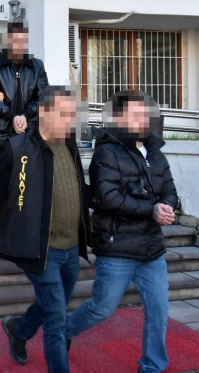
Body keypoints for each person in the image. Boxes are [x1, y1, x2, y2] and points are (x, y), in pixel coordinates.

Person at [0, 86, 91, 372]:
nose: (69, 121)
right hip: (40, 249)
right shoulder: (17, 149)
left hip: (71, 248)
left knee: (52, 305)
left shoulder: (69, 145)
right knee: (56, 320)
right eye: (63, 114)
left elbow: (77, 188)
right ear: (43, 112)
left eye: (71, 115)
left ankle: (18, 329)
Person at [65, 90, 178, 373]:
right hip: (118, 246)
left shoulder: (155, 152)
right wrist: (151, 209)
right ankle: (63, 331)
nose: (144, 119)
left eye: (145, 113)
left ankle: (152, 367)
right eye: (136, 114)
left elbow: (169, 189)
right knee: (101, 308)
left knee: (159, 311)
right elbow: (107, 198)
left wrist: (167, 206)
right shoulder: (107, 152)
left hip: (151, 249)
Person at [0, 19, 49, 243]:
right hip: (0, 133)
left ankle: (18, 225)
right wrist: (12, 116)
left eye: (22, 40)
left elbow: (42, 96)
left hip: (26, 134)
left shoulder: (36, 66)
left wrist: (25, 117)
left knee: (24, 181)